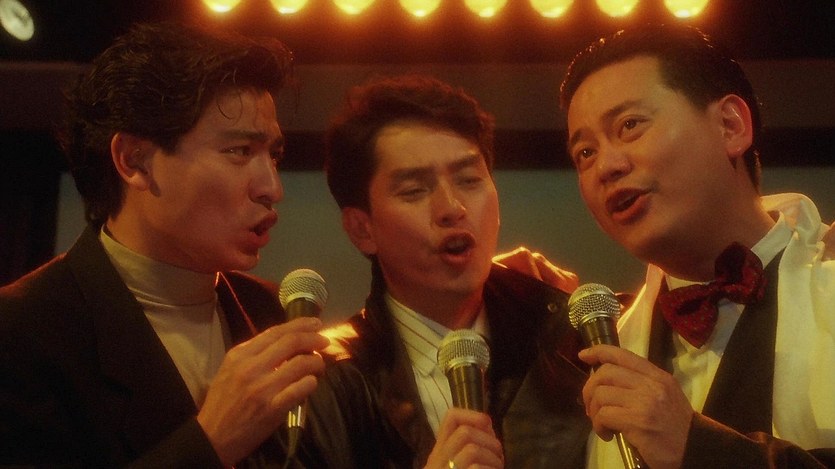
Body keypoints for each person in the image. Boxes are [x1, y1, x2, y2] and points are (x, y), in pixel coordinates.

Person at [0, 22, 330, 467]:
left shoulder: (268, 312)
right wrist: (210, 441)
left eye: (274, 155)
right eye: (239, 151)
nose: (272, 188)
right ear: (134, 162)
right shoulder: (22, 332)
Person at [560, 23, 835, 468]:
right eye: (585, 153)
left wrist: (696, 447)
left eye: (630, 125)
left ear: (730, 126)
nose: (606, 166)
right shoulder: (604, 357)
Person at [287, 75, 590, 469]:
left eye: (469, 180)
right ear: (362, 229)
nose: (452, 208)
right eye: (414, 190)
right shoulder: (325, 387)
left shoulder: (568, 340)